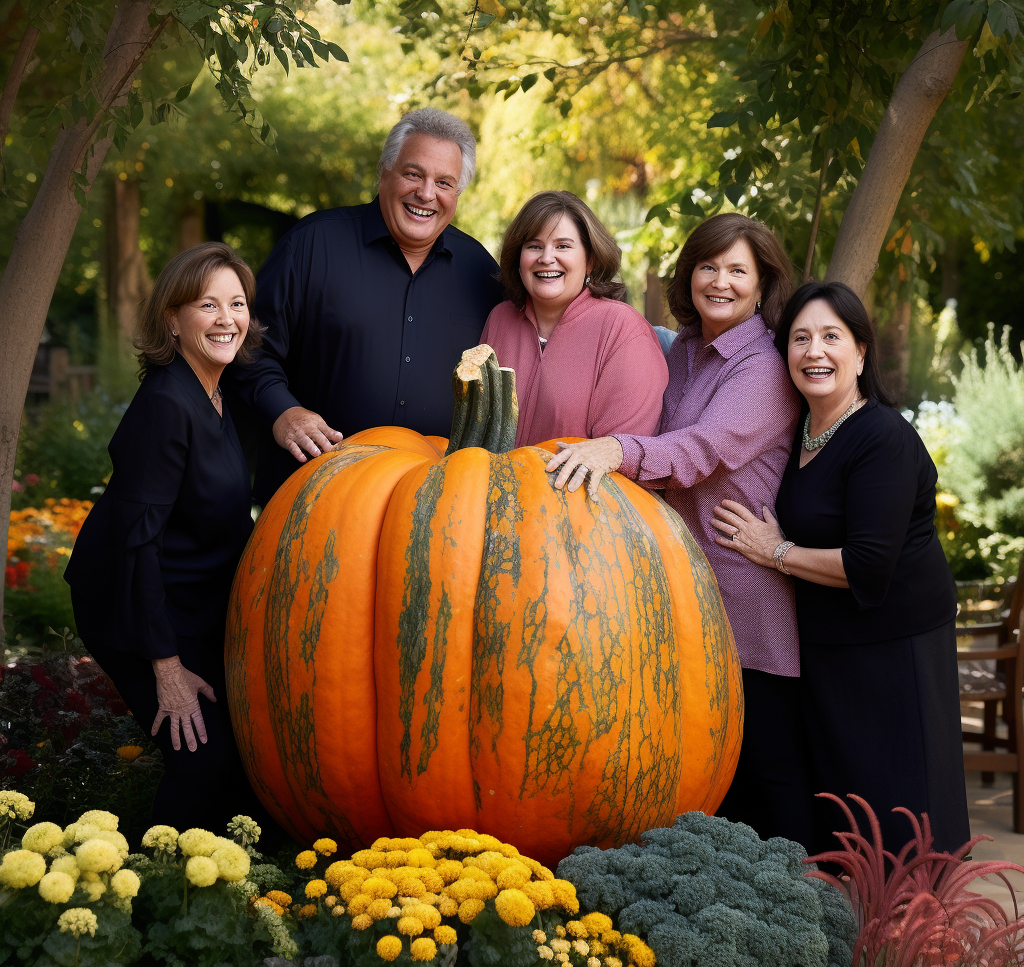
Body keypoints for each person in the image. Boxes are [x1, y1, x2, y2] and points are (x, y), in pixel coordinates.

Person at [545, 213, 809, 848]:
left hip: (746, 602)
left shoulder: (764, 368)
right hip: (685, 594)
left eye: (738, 271)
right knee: (701, 788)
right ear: (689, 271)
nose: (720, 282)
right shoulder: (683, 350)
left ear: (763, 282)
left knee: (764, 783)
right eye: (708, 266)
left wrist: (615, 450)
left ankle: (804, 926)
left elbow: (701, 450)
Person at [712, 280, 970, 856]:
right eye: (800, 339)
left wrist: (771, 551)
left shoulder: (882, 437)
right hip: (830, 646)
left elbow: (868, 566)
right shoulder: (803, 433)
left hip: (894, 648)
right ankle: (857, 935)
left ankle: (918, 940)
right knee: (848, 808)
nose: (814, 351)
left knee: (902, 809)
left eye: (832, 336)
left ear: (860, 351)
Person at [65, 243, 268, 833]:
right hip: (131, 603)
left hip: (187, 600)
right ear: (171, 319)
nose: (227, 318)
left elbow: (224, 519)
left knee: (243, 758)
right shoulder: (165, 406)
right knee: (202, 760)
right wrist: (167, 667)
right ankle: (151, 896)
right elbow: (137, 543)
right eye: (208, 304)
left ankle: (232, 883)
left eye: (237, 303)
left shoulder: (216, 392)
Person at [228, 107, 504, 505]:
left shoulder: (482, 273)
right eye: (413, 174)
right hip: (311, 495)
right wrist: (283, 412)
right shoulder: (311, 246)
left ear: (457, 193)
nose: (427, 194)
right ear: (384, 172)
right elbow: (249, 346)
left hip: (432, 509)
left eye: (444, 182)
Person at [480, 191, 667, 444]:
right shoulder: (500, 320)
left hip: (580, 484)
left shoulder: (623, 330)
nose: (546, 258)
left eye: (563, 246)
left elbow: (621, 455)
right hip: (491, 480)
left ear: (590, 260)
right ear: (518, 257)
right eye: (534, 246)